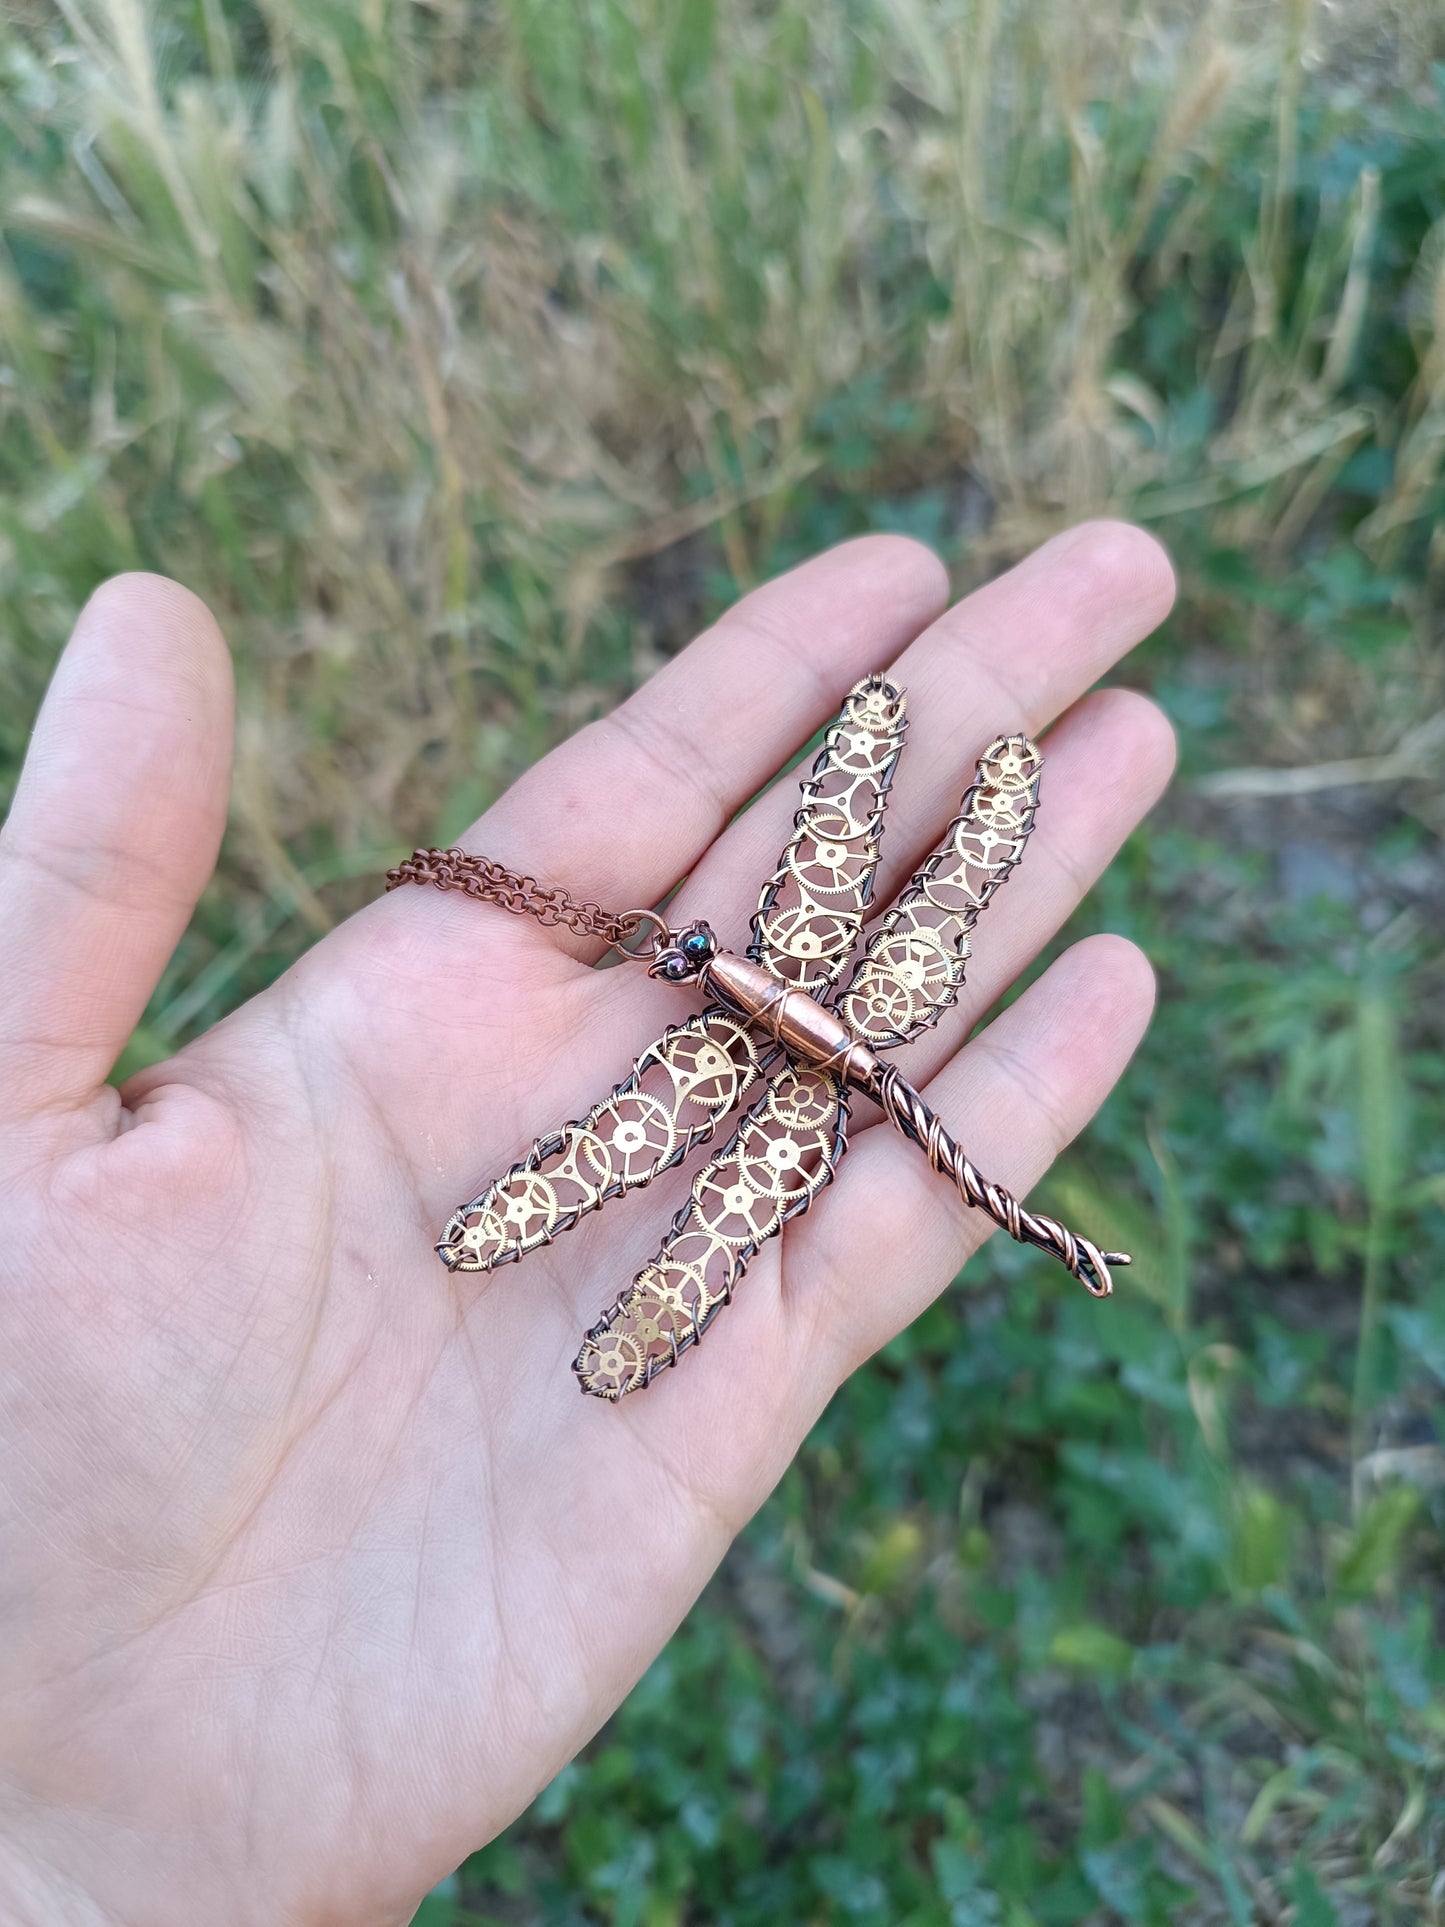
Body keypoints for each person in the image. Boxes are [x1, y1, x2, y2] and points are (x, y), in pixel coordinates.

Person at [0, 523, 1176, 1924]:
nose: (700, 967)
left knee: (605, 1193)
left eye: (694, 960)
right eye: (698, 963)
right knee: (635, 1208)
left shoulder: (703, 1044)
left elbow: (624, 1116)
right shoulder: (793, 998)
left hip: (848, 1069)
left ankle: (1040, 1232)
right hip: (866, 1054)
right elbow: (864, 817)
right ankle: (1057, 1239)